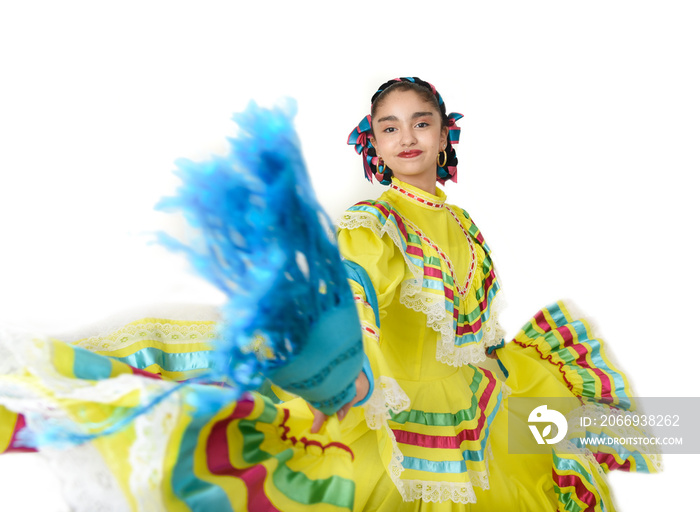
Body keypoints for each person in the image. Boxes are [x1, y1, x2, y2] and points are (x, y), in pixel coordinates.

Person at [0, 78, 659, 512]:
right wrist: (362, 379)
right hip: (402, 417)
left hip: (482, 401)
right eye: (391, 127)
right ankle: (40, 411)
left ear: (442, 135)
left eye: (420, 123)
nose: (407, 137)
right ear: (374, 142)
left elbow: (474, 327)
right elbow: (359, 298)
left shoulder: (462, 225)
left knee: (609, 424)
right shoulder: (376, 222)